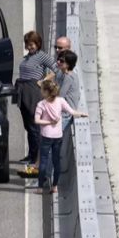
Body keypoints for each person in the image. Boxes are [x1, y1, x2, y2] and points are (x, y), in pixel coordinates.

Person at [34, 79, 87, 194]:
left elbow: (37, 120)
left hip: (46, 136)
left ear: (46, 92)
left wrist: (49, 123)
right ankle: (54, 187)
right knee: (56, 161)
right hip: (58, 136)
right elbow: (72, 112)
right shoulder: (61, 101)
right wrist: (82, 114)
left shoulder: (41, 104)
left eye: (42, 90)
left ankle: (40, 187)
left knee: (43, 161)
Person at [16, 31, 58, 171]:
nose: (29, 46)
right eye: (28, 44)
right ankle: (31, 155)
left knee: (34, 126)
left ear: (37, 44)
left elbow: (56, 69)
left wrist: (44, 80)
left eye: (32, 44)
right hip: (23, 89)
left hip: (33, 90)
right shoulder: (28, 57)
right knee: (28, 125)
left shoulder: (42, 56)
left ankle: (37, 157)